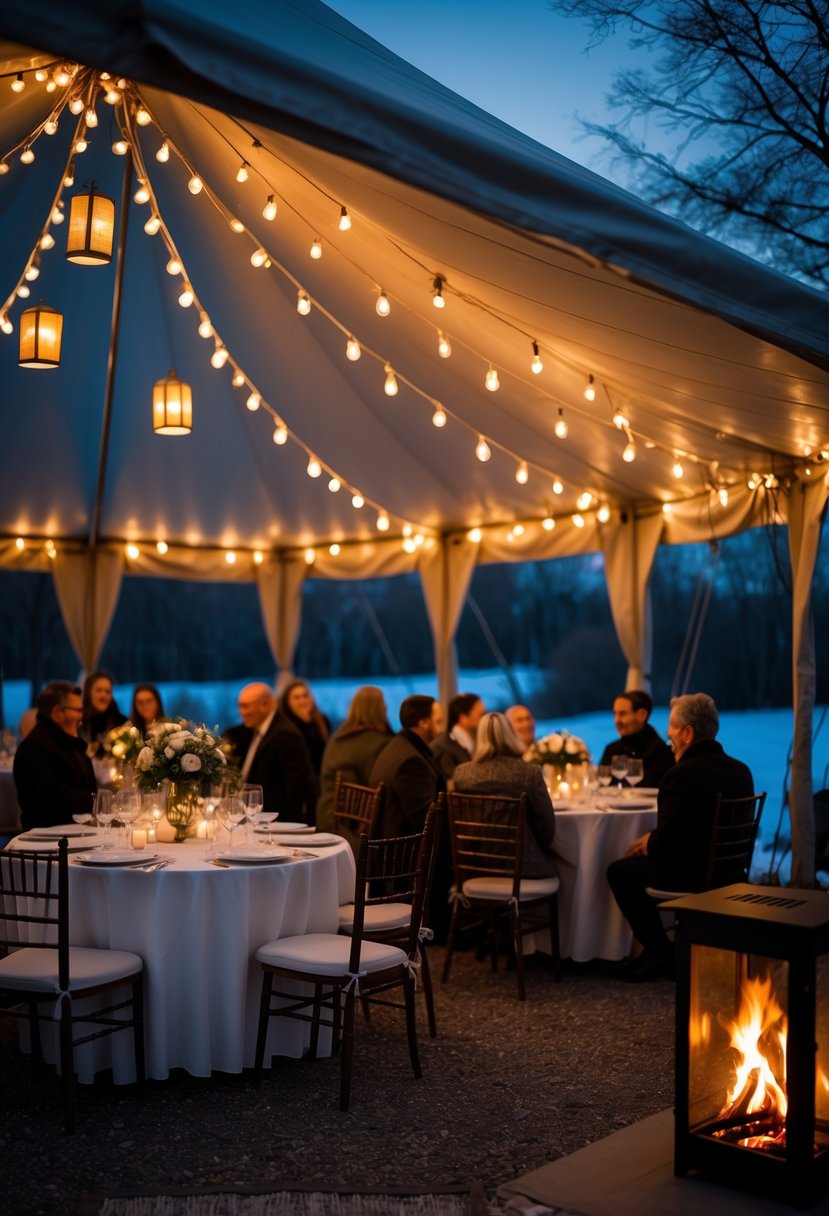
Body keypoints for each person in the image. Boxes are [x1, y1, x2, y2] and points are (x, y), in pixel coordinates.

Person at [607, 692, 754, 983]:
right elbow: (694, 829)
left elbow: (668, 845)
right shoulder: (741, 771)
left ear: (687, 733)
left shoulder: (680, 775)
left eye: (672, 729)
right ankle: (667, 952)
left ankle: (659, 953)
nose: (668, 736)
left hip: (691, 877)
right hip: (732, 873)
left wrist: (650, 841)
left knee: (620, 872)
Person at [453, 712, 557, 878]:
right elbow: (547, 829)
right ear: (510, 734)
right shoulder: (528, 772)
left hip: (473, 868)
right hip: (522, 868)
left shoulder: (462, 774)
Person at [225, 682, 316, 822]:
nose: (242, 712)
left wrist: (285, 832)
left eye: (246, 706)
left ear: (266, 704)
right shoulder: (255, 729)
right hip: (251, 817)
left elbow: (295, 790)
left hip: (272, 823)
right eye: (240, 706)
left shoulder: (286, 734)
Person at [12, 680, 97, 830]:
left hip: (76, 831)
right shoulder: (34, 748)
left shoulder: (70, 743)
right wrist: (94, 800)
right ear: (58, 713)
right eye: (77, 710)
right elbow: (52, 800)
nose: (81, 716)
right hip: (49, 840)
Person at [316, 685, 393, 833]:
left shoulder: (337, 738)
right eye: (383, 703)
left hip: (324, 816)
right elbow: (380, 788)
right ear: (379, 709)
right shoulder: (380, 742)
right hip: (354, 826)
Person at [370, 694, 446, 838]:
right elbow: (426, 822)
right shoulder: (410, 762)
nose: (442, 729)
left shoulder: (400, 745)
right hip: (403, 850)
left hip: (394, 841)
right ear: (423, 722)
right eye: (438, 721)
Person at [599, 689, 674, 787]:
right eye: (615, 714)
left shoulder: (660, 752)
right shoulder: (611, 750)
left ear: (642, 715)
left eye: (622, 714)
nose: (617, 720)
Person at [279, 678, 331, 781]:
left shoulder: (322, 720)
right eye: (297, 697)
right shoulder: (285, 727)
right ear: (287, 702)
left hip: (320, 779)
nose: (302, 700)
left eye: (305, 696)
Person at [430, 692, 485, 784]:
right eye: (480, 715)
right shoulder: (442, 747)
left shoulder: (467, 742)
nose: (484, 719)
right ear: (463, 717)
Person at [80, 669, 127, 755]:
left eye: (107, 692)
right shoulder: (78, 721)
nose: (103, 695)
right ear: (88, 693)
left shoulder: (122, 723)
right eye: (99, 690)